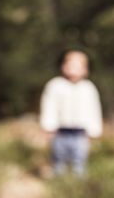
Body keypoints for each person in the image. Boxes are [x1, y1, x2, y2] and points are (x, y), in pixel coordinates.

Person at [40, 49, 103, 177]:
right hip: (60, 132)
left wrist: (94, 131)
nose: (73, 69)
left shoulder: (88, 88)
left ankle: (76, 191)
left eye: (78, 66)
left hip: (80, 133)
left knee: (79, 163)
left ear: (85, 70)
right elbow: (49, 107)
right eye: (70, 65)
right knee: (58, 162)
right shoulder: (55, 85)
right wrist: (48, 127)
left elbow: (94, 110)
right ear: (63, 66)